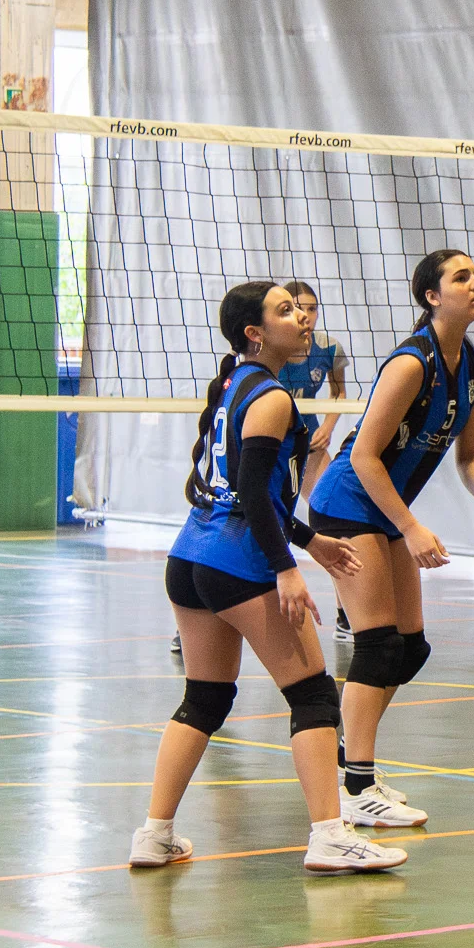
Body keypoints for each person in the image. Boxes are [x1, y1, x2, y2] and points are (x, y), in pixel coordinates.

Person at [132, 281, 404, 873]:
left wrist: (311, 541)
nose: (302, 317)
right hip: (240, 561)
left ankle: (154, 835)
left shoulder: (235, 382)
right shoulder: (274, 397)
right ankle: (330, 836)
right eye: (286, 311)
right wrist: (287, 569)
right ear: (255, 333)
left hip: (191, 557)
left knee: (205, 697)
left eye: (301, 308)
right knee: (312, 695)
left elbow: (246, 491)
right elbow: (254, 493)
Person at [306, 249, 474, 828]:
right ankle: (356, 786)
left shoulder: (473, 369)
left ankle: (351, 756)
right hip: (346, 504)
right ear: (431, 296)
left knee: (410, 648)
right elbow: (365, 456)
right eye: (461, 277)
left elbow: (469, 455)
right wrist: (410, 526)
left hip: (382, 511)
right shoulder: (410, 364)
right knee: (377, 644)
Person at [277, 280, 355, 643]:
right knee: (236, 522)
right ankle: (197, 615)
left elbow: (338, 391)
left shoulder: (328, 348)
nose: (305, 315)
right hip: (267, 446)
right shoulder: (268, 346)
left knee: (339, 517)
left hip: (306, 443)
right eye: (297, 308)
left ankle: (346, 615)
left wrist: (327, 426)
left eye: (311, 309)